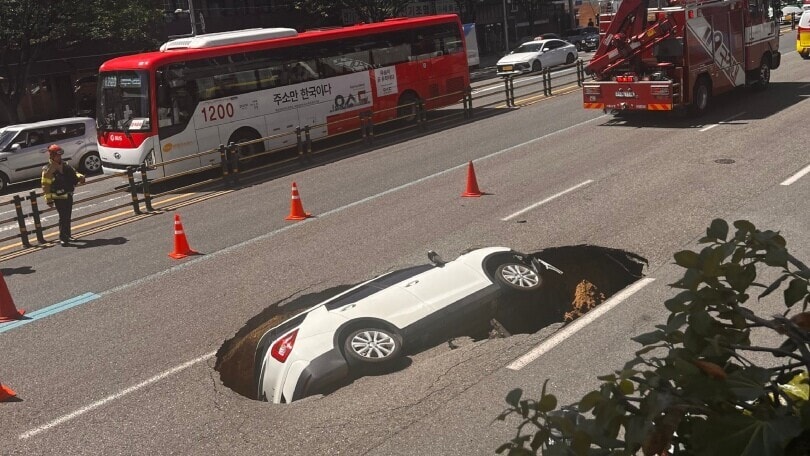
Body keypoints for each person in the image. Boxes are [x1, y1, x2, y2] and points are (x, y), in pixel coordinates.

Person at [41, 144, 85, 246]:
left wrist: (80, 176)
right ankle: (63, 237)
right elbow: (45, 185)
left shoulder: (65, 164)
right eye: (57, 155)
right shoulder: (47, 169)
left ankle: (68, 235)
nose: (59, 157)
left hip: (68, 194)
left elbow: (74, 173)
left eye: (60, 155)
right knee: (63, 216)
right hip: (58, 197)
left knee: (68, 216)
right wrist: (48, 200)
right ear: (52, 156)